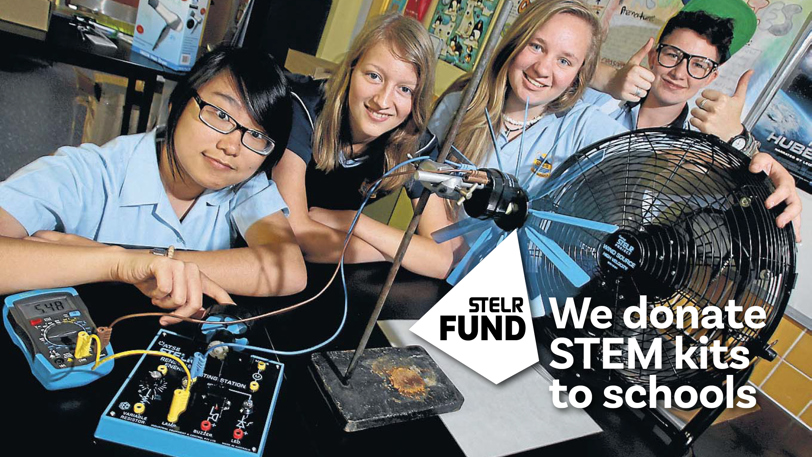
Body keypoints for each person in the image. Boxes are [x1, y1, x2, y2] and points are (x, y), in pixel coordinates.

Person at [0, 47, 306, 324]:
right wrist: (120, 263)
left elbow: (288, 270)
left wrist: (145, 261)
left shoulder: (243, 185)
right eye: (222, 115)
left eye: (257, 136)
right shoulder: (90, 172)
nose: (233, 146)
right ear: (176, 104)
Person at [586, 0, 801, 236]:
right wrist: (607, 78)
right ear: (653, 57)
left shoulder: (698, 152)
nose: (679, 73)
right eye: (672, 55)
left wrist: (742, 142)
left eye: (699, 65)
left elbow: (748, 192)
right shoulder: (599, 101)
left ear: (710, 77)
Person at [274, 14, 463, 279]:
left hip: (328, 270)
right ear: (351, 69)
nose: (383, 100)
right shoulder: (305, 109)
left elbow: (442, 259)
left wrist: (354, 221)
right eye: (374, 76)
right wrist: (397, 252)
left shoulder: (417, 144)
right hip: (260, 254)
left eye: (405, 89)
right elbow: (293, 233)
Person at [430, 0, 626, 200]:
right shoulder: (458, 107)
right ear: (516, 41)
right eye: (536, 46)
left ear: (579, 73)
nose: (541, 69)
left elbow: (652, 165)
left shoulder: (582, 126)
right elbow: (424, 193)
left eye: (564, 61)